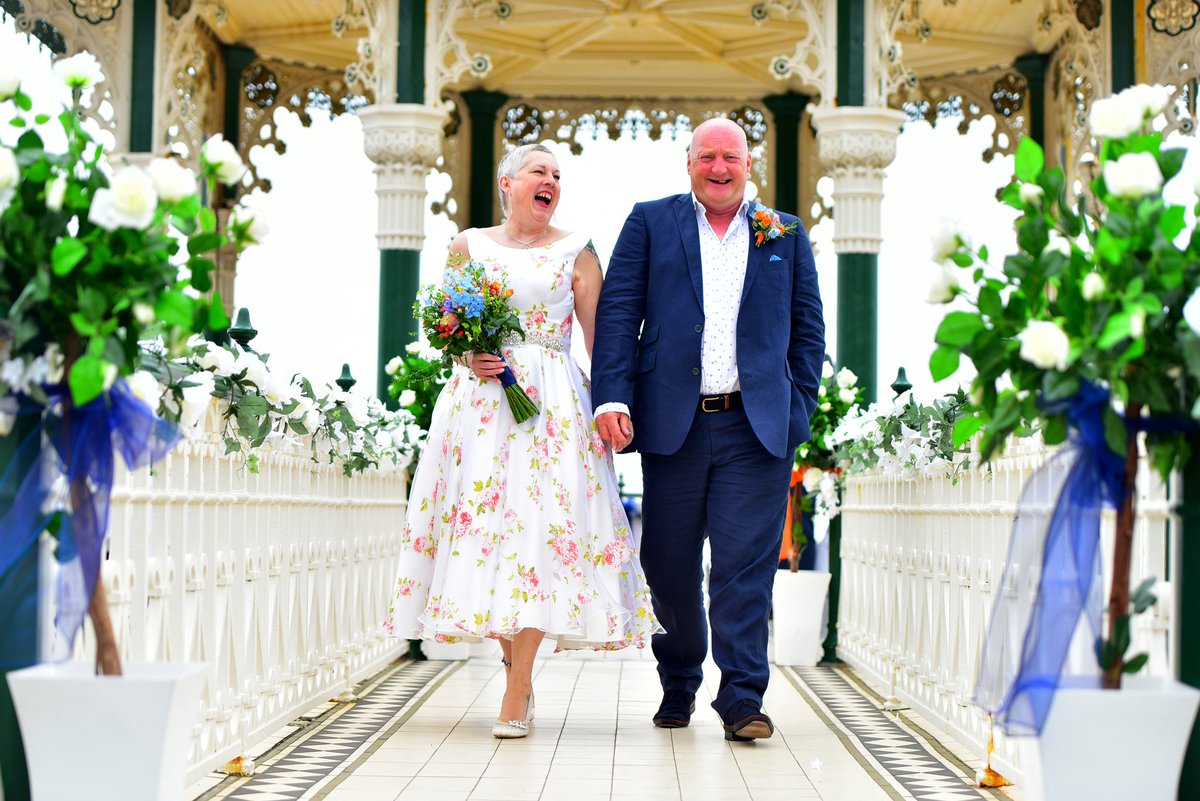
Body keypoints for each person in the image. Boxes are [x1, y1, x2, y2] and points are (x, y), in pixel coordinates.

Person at [384, 143, 661, 740]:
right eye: (540, 171)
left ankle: (515, 686)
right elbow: (448, 329)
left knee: (540, 533)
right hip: (480, 408)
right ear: (507, 182)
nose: (551, 181)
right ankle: (517, 667)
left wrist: (613, 404)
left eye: (558, 175)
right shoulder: (468, 246)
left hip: (552, 406)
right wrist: (467, 353)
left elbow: (603, 340)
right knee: (489, 534)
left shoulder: (578, 249)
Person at [591, 118, 825, 741]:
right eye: (707, 156)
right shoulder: (650, 221)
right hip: (675, 426)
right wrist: (610, 396)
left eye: (731, 157)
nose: (719, 167)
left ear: (750, 165)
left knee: (743, 571)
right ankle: (679, 678)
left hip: (756, 429)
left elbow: (808, 331)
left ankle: (743, 699)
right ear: (688, 162)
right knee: (667, 565)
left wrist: (796, 405)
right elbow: (618, 314)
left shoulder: (785, 233)